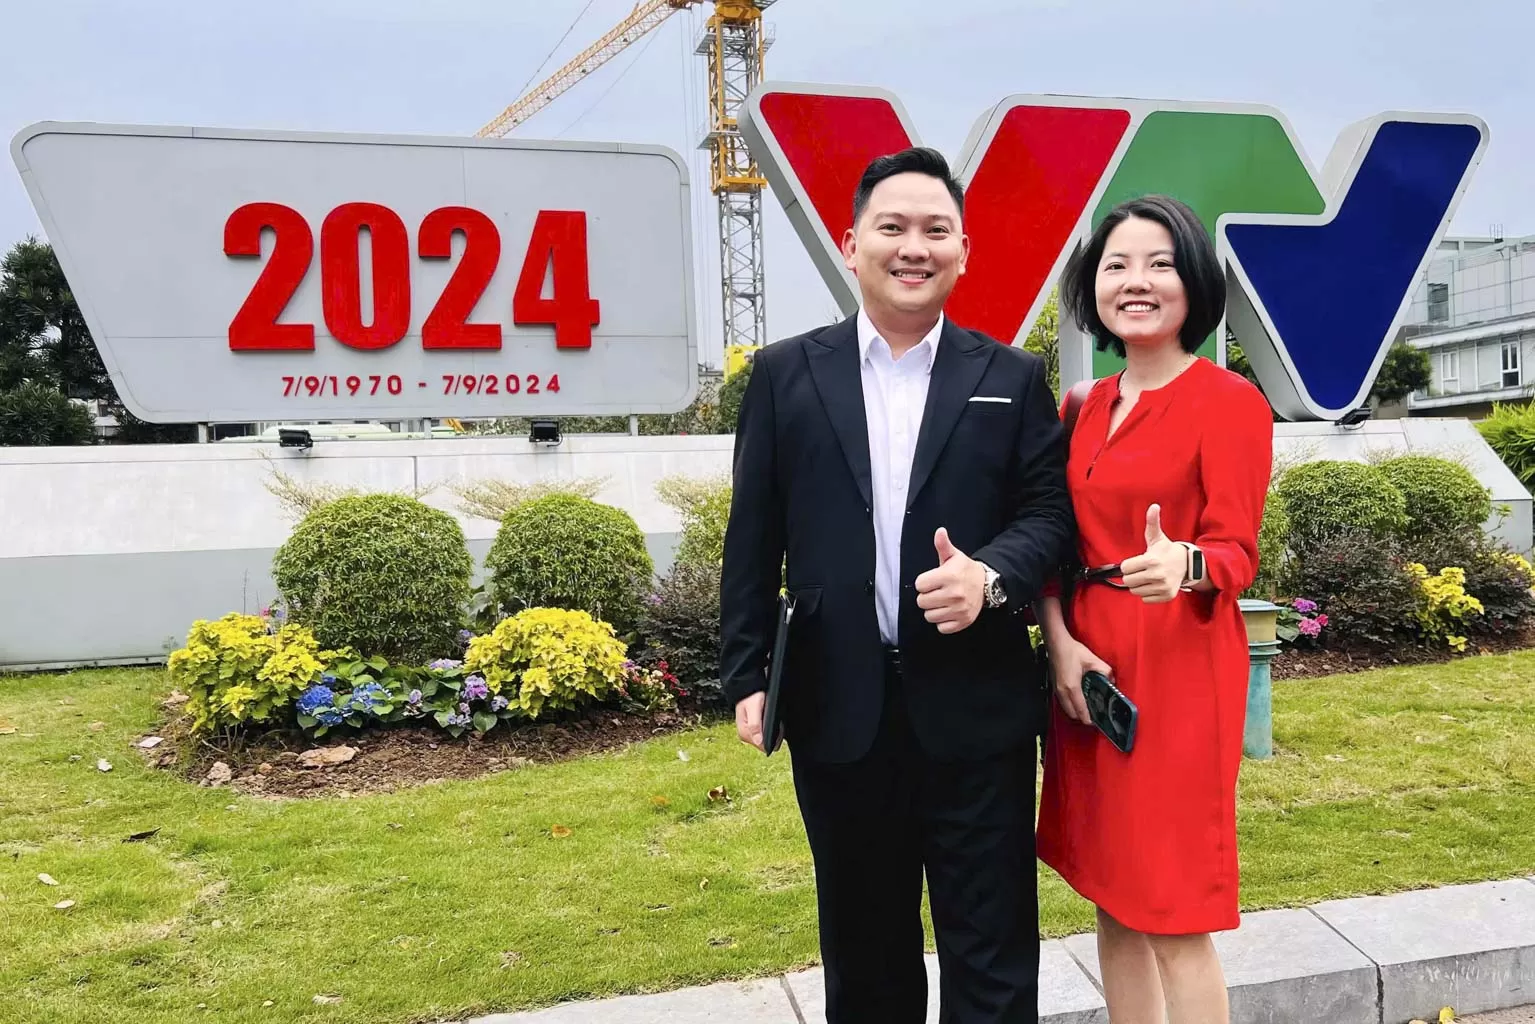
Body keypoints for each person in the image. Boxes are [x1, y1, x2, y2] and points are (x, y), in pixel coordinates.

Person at [719, 146, 1074, 1023]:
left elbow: (1049, 518)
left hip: (977, 711)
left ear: (963, 251)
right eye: (892, 227)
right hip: (838, 707)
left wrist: (990, 576)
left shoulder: (1009, 376)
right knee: (864, 956)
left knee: (991, 957)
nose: (913, 247)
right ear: (851, 245)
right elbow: (751, 537)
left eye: (935, 230)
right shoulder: (785, 375)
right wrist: (746, 675)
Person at [1033, 194, 1273, 1024]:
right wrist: (1058, 644)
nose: (1136, 281)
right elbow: (1054, 544)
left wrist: (1187, 563)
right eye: (1117, 265)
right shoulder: (1081, 405)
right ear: (1092, 286)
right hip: (1087, 669)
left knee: (1171, 906)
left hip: (1176, 671)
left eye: (1159, 264)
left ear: (1193, 282)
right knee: (1112, 892)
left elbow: (1237, 551)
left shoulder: (1227, 400)